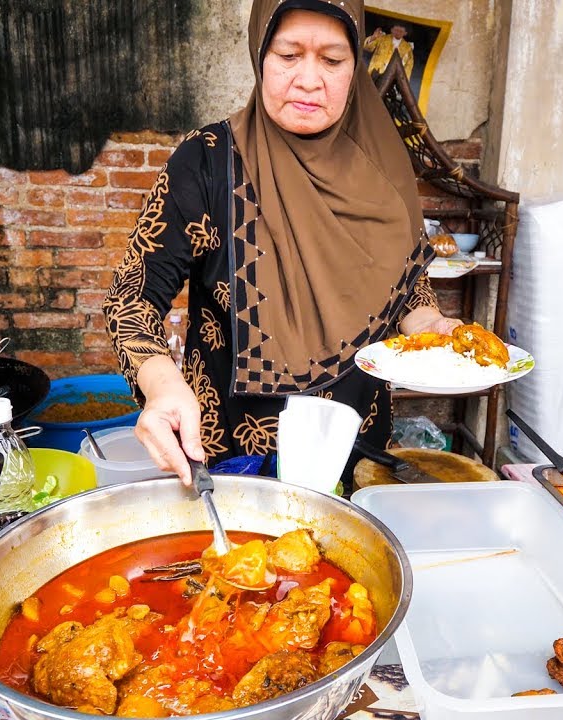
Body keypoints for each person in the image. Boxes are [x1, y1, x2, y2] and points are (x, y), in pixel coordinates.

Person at [102, 0, 460, 487]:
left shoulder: (382, 166)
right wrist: (162, 386)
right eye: (288, 55)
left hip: (357, 456)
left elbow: (405, 282)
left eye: (332, 61)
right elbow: (131, 296)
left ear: (355, 65)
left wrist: (428, 324)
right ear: (260, 55)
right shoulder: (207, 163)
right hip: (231, 460)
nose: (310, 80)